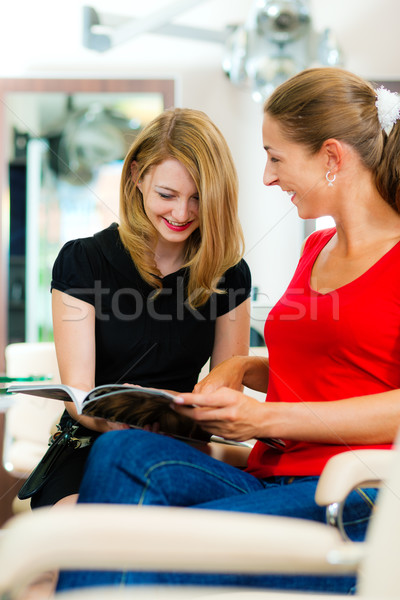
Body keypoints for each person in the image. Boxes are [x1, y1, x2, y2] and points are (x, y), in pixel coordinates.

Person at [56, 67, 400, 594]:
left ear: (331, 158)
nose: (266, 177)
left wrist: (266, 416)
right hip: (271, 475)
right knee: (120, 457)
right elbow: (333, 368)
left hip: (356, 489)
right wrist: (241, 367)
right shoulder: (316, 250)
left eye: (276, 157)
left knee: (133, 551)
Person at [29, 107, 251, 509]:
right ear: (136, 176)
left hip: (182, 446)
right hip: (92, 443)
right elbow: (78, 396)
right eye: (167, 195)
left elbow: (225, 393)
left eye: (198, 198)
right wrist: (115, 421)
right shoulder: (83, 261)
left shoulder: (229, 274)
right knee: (83, 531)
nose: (182, 214)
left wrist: (188, 420)